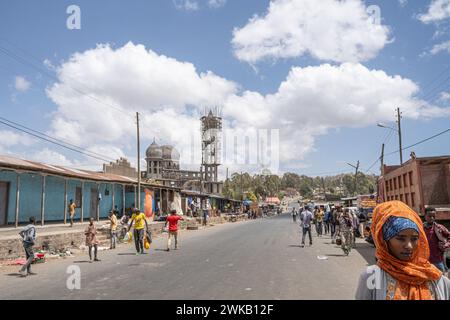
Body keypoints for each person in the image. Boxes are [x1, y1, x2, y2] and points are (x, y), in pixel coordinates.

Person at [355, 201, 450, 300]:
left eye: (414, 239)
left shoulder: (435, 278)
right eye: (400, 238)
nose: (409, 246)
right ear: (385, 241)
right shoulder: (372, 277)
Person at [424, 207, 450, 273]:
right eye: (430, 216)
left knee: (441, 280)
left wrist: (445, 245)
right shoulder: (421, 228)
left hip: (438, 261)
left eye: (433, 216)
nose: (432, 218)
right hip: (425, 262)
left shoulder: (439, 228)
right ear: (425, 216)